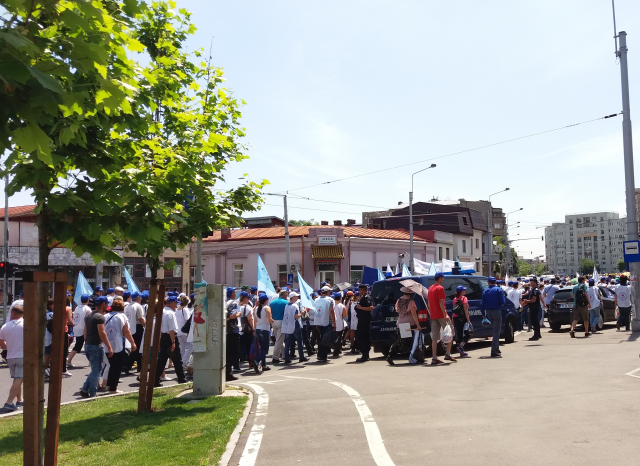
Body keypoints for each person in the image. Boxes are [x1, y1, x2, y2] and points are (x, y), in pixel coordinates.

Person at [79, 297, 113, 398]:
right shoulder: (100, 317)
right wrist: (109, 347)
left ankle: (85, 389)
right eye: (107, 303)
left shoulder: (89, 315)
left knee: (95, 369)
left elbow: (85, 330)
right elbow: (102, 333)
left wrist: (86, 342)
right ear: (103, 304)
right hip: (96, 345)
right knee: (97, 369)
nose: (107, 305)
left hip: (88, 344)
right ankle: (92, 393)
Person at [103, 299, 136, 393]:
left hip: (106, 344)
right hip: (118, 345)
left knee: (109, 365)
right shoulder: (122, 317)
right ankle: (113, 388)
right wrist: (132, 343)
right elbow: (126, 331)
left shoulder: (105, 316)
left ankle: (108, 384)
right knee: (117, 367)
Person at [155, 296, 187, 386]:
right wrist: (173, 342)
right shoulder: (171, 313)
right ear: (172, 303)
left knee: (161, 360)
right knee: (177, 359)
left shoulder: (161, 312)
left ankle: (155, 380)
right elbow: (171, 329)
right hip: (170, 337)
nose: (176, 305)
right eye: (176, 303)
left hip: (163, 336)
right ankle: (182, 379)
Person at [387, 287, 423, 364]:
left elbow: (397, 310)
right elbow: (413, 314)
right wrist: (418, 325)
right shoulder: (411, 302)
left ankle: (416, 356)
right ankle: (391, 354)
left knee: (404, 340)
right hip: (409, 324)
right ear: (410, 293)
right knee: (406, 341)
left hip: (400, 323)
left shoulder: (398, 301)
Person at [428, 272, 455, 364]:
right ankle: (448, 353)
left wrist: (431, 312)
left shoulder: (430, 288)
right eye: (442, 278)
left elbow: (429, 303)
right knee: (450, 331)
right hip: (440, 315)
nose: (443, 280)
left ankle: (434, 357)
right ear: (440, 278)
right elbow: (441, 302)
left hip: (433, 315)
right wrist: (445, 314)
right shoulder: (440, 288)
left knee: (434, 337)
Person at [0, 305, 24, 410]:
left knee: (16, 379)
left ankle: (20, 399)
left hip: (10, 356)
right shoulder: (26, 324)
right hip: (22, 355)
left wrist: (10, 346)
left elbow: (2, 344)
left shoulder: (5, 326)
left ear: (13, 313)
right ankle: (9, 402)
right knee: (19, 379)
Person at [481, 276, 505, 358]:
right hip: (497, 311)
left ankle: (497, 348)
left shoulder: (485, 291)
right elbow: (502, 301)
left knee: (492, 331)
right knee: (496, 332)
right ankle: (494, 351)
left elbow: (482, 304)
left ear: (488, 282)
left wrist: (483, 314)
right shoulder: (498, 290)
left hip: (488, 312)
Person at [283, 292, 308, 364]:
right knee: (299, 342)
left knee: (287, 343)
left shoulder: (287, 305)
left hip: (288, 326)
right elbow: (296, 316)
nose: (297, 298)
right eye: (296, 296)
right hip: (295, 325)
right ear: (293, 297)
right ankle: (301, 357)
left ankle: (286, 358)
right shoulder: (295, 306)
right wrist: (302, 313)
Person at [67, 294, 92, 367]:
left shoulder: (77, 307)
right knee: (84, 345)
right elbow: (88, 320)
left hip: (76, 327)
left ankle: (69, 360)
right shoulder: (87, 309)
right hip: (84, 328)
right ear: (88, 300)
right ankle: (69, 360)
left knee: (78, 345)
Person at [124, 291, 145, 373]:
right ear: (139, 298)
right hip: (138, 327)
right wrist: (146, 327)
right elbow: (141, 319)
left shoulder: (127, 306)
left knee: (138, 348)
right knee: (137, 348)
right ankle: (127, 365)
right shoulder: (138, 306)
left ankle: (140, 366)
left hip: (130, 327)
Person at [253, 294, 273, 373]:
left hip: (258, 329)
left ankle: (264, 365)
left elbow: (255, 320)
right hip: (265, 329)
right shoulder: (267, 308)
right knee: (265, 349)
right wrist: (273, 321)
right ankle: (256, 360)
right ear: (266, 300)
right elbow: (269, 320)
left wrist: (254, 330)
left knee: (261, 348)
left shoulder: (256, 308)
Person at [315, 286, 335, 363]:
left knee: (321, 338)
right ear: (327, 292)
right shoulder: (330, 300)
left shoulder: (316, 300)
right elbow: (331, 312)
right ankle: (323, 356)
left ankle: (320, 355)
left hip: (319, 322)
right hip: (327, 322)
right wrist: (334, 322)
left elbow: (316, 311)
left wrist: (316, 322)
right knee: (326, 340)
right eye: (329, 291)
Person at [269, 289, 289, 364]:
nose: (287, 296)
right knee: (279, 340)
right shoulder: (286, 302)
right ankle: (275, 357)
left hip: (273, 322)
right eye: (286, 295)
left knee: (279, 339)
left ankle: (284, 355)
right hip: (281, 322)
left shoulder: (272, 303)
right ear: (283, 295)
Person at [225, 288, 241, 380]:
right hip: (233, 330)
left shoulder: (225, 302)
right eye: (234, 292)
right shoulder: (233, 303)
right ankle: (228, 373)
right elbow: (232, 315)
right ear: (232, 294)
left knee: (228, 353)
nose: (235, 294)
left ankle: (227, 372)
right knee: (235, 353)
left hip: (226, 330)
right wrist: (238, 314)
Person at [354, 284, 373, 362]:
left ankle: (365, 355)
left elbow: (371, 308)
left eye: (360, 290)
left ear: (364, 290)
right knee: (361, 337)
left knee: (363, 337)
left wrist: (361, 308)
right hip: (362, 320)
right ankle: (365, 355)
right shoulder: (362, 298)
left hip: (364, 320)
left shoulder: (367, 298)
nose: (359, 291)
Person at [452, 285, 471, 358]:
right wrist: (468, 320)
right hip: (463, 318)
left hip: (456, 318)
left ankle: (461, 351)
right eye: (464, 290)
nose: (465, 291)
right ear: (461, 292)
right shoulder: (464, 298)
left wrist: (453, 319)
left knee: (459, 334)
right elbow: (466, 310)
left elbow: (454, 310)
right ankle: (461, 346)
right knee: (467, 332)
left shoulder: (454, 299)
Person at [175, 295, 192, 368]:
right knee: (190, 347)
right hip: (184, 332)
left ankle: (182, 362)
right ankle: (184, 362)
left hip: (178, 331)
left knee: (182, 348)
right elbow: (188, 320)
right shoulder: (185, 309)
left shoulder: (177, 309)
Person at [237, 291, 254, 365]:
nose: (248, 299)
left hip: (238, 329)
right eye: (247, 298)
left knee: (241, 345)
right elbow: (250, 319)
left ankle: (241, 358)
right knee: (249, 346)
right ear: (244, 298)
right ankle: (251, 362)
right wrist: (253, 328)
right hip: (247, 329)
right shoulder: (247, 307)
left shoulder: (237, 305)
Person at [332, 293, 347, 357]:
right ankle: (336, 351)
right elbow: (344, 315)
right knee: (339, 338)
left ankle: (336, 350)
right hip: (340, 323)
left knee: (334, 337)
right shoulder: (342, 306)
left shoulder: (332, 305)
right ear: (340, 298)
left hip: (332, 323)